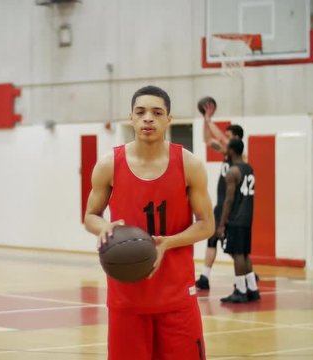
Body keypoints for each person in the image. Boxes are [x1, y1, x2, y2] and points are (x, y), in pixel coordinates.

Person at [85, 86, 214, 359]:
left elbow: (207, 225)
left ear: (169, 119)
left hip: (177, 298)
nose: (148, 118)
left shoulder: (189, 165)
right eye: (141, 112)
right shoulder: (109, 164)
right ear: (131, 117)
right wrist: (104, 227)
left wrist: (169, 243)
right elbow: (90, 216)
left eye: (157, 113)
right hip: (126, 299)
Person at [195, 101, 244, 290]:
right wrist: (205, 122)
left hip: (233, 207)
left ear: (236, 139)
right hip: (221, 205)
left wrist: (209, 118)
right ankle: (205, 278)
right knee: (212, 239)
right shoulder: (226, 153)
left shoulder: (241, 155)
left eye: (230, 136)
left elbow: (222, 139)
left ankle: (247, 272)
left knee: (232, 246)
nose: (226, 139)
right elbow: (208, 140)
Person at [218, 139, 260, 303]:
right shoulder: (249, 168)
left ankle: (241, 291)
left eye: (227, 149)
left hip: (236, 218)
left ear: (232, 151)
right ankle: (253, 289)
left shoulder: (233, 172)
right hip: (247, 217)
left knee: (237, 255)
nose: (225, 151)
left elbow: (228, 200)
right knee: (244, 254)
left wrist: (221, 224)